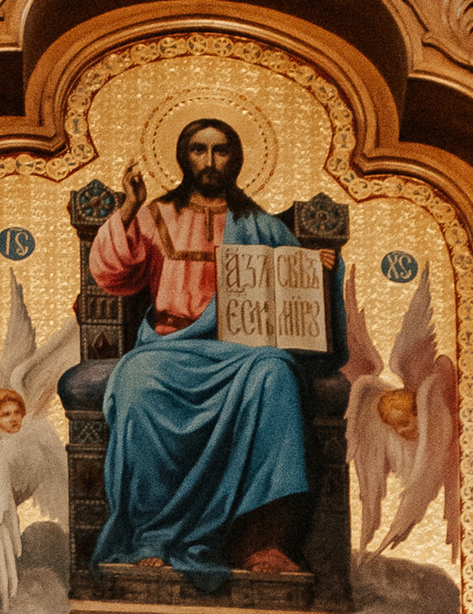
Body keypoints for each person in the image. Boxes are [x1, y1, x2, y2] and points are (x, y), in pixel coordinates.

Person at [86, 120, 328, 581]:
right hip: (168, 347)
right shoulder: (156, 215)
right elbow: (113, 274)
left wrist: (318, 268)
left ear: (235, 160)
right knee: (137, 386)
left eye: (221, 152)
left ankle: (262, 544)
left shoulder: (260, 224)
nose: (210, 162)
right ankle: (152, 537)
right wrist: (128, 209)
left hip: (241, 352)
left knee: (275, 374)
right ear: (183, 157)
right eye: (199, 150)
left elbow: (296, 286)